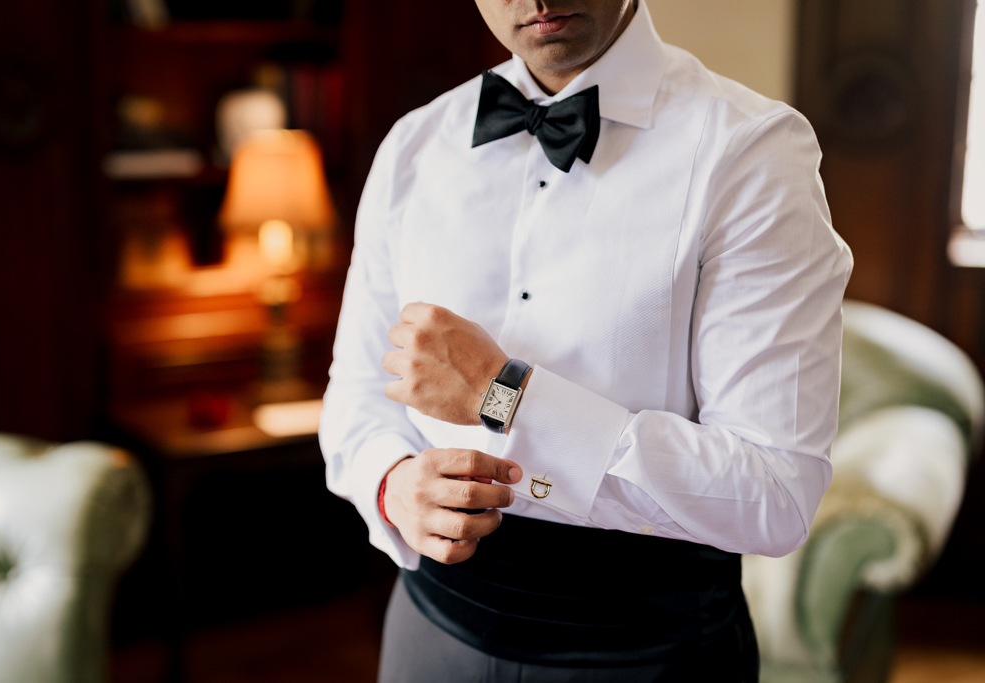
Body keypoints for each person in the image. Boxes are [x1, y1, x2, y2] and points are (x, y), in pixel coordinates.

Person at [319, 0, 853, 680]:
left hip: (650, 654)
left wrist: (502, 396)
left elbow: (775, 496)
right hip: (428, 632)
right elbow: (356, 395)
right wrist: (390, 482)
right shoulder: (413, 147)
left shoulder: (751, 153)